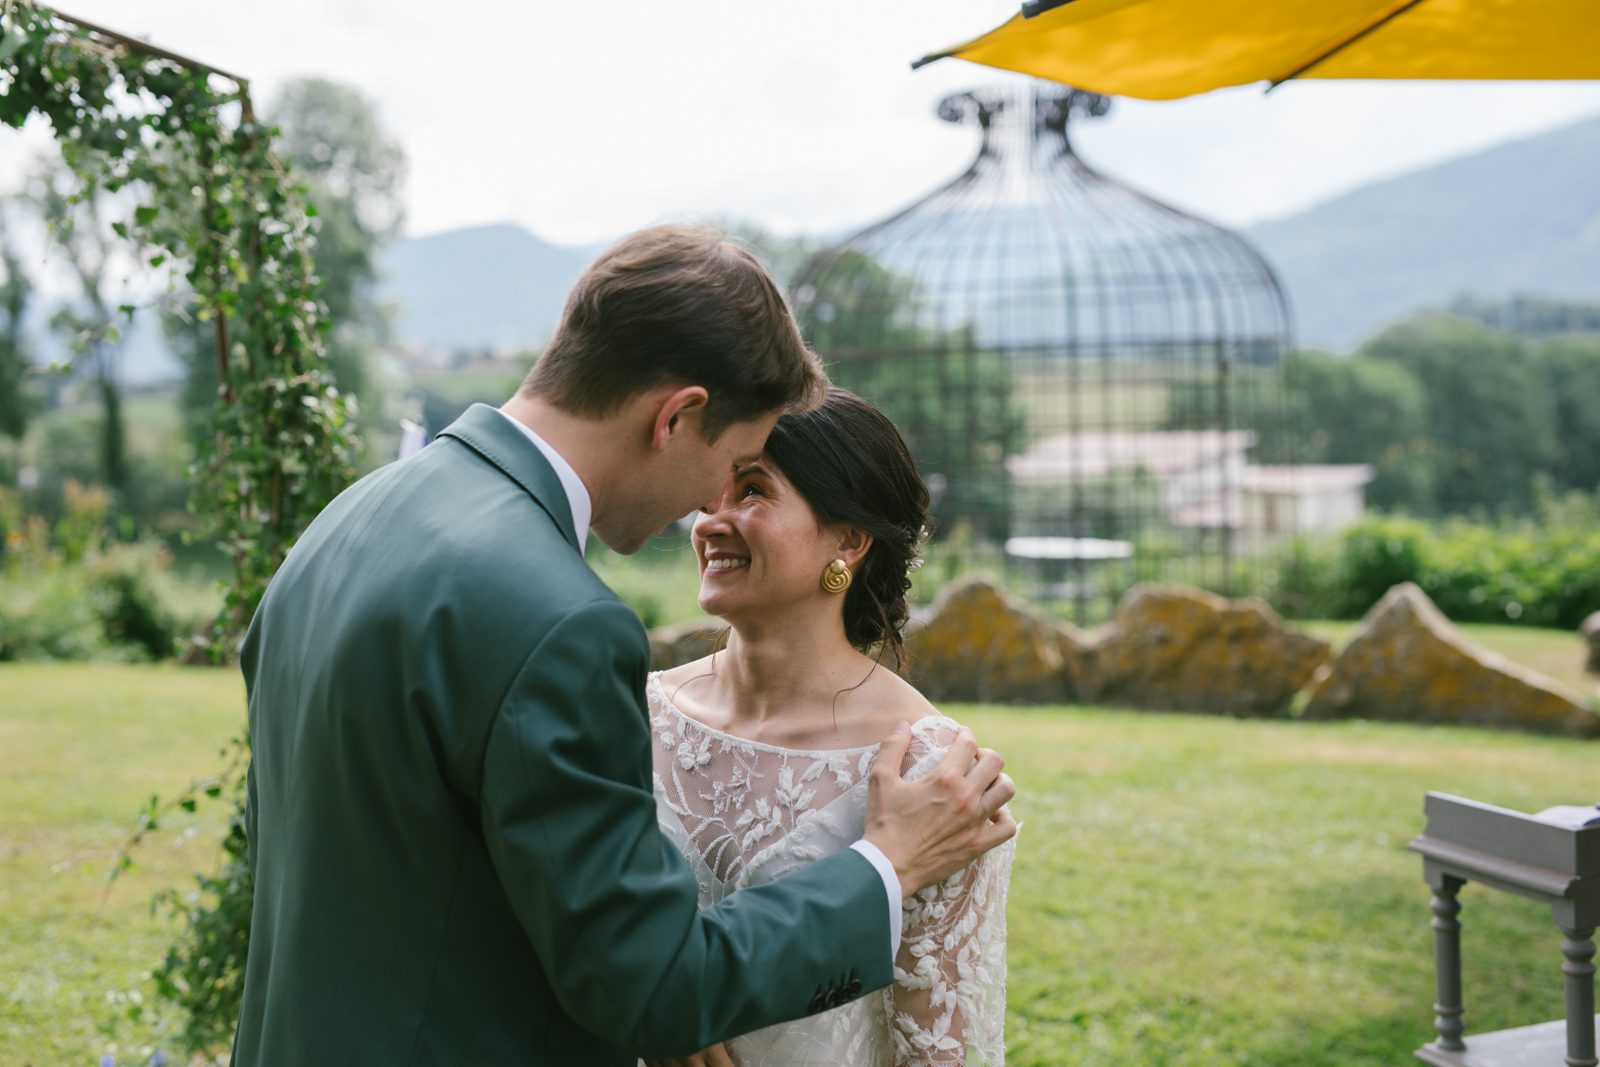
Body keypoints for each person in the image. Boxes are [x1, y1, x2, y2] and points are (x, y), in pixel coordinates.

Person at [231, 225, 1018, 1065]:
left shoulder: (347, 521)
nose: (709, 504)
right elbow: (652, 987)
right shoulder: (561, 620)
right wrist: (885, 866)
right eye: (735, 460)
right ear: (677, 416)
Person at [646, 388, 1014, 1067]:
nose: (710, 521)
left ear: (849, 538)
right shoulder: (635, 713)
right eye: (710, 494)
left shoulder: (931, 770)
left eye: (752, 490)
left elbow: (937, 1051)